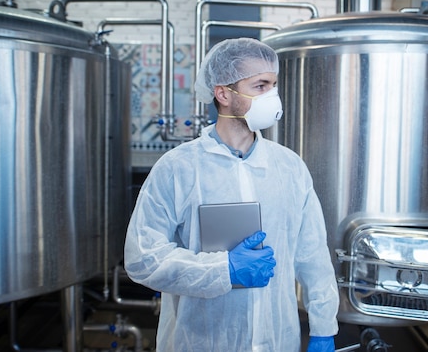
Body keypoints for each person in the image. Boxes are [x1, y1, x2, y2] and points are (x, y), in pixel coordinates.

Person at [124, 37, 339, 352]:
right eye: (260, 86)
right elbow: (143, 259)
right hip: (201, 340)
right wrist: (224, 269)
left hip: (277, 340)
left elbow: (312, 255)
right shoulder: (178, 168)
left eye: (274, 86)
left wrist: (323, 327)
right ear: (223, 93)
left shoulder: (288, 167)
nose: (273, 97)